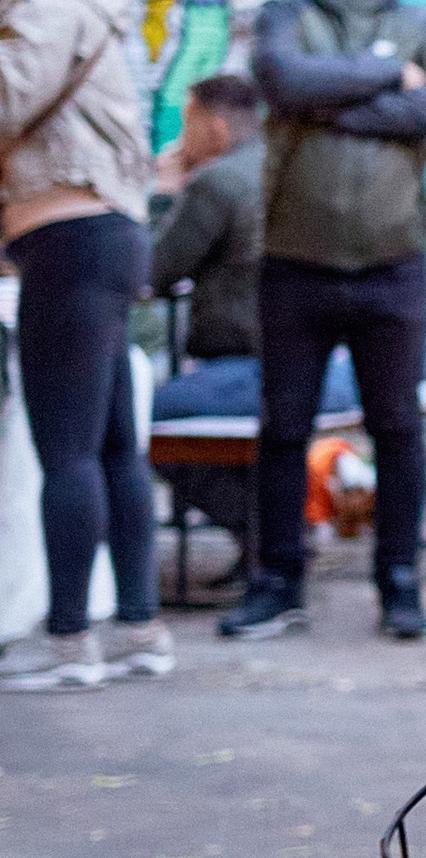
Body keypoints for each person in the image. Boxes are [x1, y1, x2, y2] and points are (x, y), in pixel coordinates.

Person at [225, 0, 426, 643]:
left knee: (397, 429)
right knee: (283, 430)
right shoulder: (285, 16)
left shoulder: (420, 17)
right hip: (295, 264)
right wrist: (393, 75)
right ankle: (276, 583)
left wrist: (327, 105)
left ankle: (399, 586)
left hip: (393, 263)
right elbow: (284, 80)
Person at [0, 0, 171, 690]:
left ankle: (68, 641)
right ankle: (138, 629)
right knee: (110, 446)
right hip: (110, 231)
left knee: (64, 446)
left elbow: (7, 97)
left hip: (66, 232)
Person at [149, 67, 268, 575]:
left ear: (215, 126)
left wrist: (163, 192)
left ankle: (261, 533)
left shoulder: (218, 181)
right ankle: (271, 536)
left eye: (186, 123)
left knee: (137, 418)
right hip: (318, 367)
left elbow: (152, 272)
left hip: (246, 368)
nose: (181, 139)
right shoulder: (278, 165)